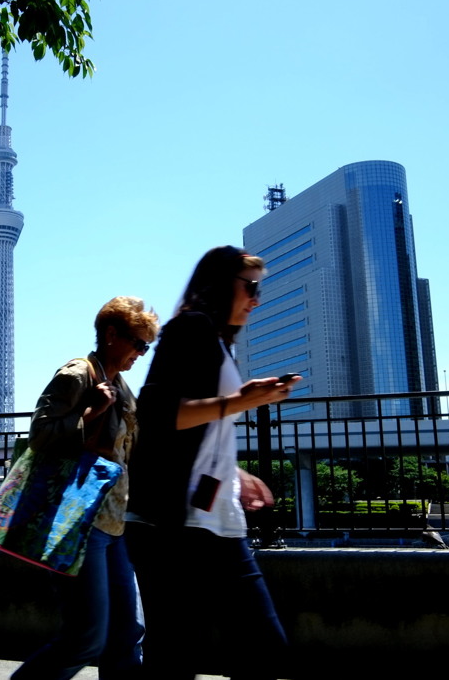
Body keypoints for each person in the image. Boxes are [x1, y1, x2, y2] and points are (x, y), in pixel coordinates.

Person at [125, 246, 299, 680]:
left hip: (216, 519)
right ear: (222, 284)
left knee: (251, 654)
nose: (256, 299)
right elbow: (158, 412)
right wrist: (241, 400)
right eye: (251, 286)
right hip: (175, 523)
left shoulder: (220, 343)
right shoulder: (191, 327)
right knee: (185, 656)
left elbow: (201, 431)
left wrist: (235, 472)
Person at [12, 296, 160, 680]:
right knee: (87, 638)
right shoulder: (78, 374)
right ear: (111, 335)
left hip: (113, 524)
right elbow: (40, 436)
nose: (141, 354)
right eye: (138, 343)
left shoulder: (122, 386)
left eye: (147, 346)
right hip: (77, 521)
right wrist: (90, 411)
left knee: (128, 634)